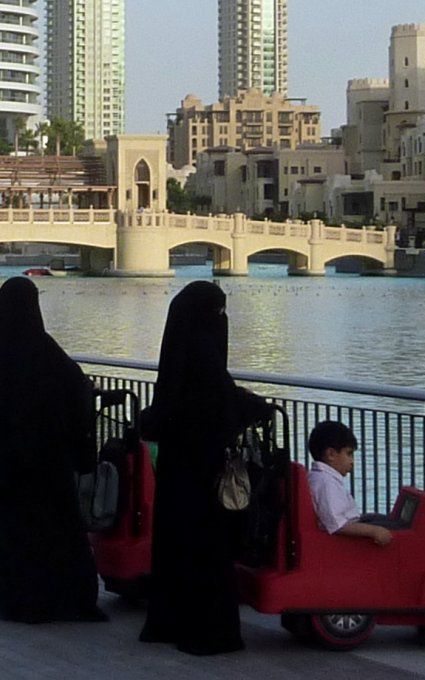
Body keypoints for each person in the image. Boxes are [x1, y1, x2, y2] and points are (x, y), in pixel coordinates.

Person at [138, 280, 274, 655]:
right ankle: (209, 630)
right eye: (218, 313)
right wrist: (255, 407)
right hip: (208, 471)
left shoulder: (179, 357)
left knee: (176, 543)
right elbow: (222, 404)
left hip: (177, 468)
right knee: (208, 549)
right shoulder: (205, 357)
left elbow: (171, 408)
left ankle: (170, 619)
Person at [0, 276, 106, 623]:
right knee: (54, 528)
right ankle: (63, 596)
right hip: (45, 464)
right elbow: (76, 391)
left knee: (6, 529)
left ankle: (12, 594)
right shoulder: (45, 351)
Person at [306, 420, 393, 546]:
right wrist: (374, 531)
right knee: (395, 528)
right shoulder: (326, 483)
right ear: (331, 454)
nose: (352, 461)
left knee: (382, 519)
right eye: (349, 454)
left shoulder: (320, 478)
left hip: (350, 524)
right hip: (341, 543)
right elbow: (337, 524)